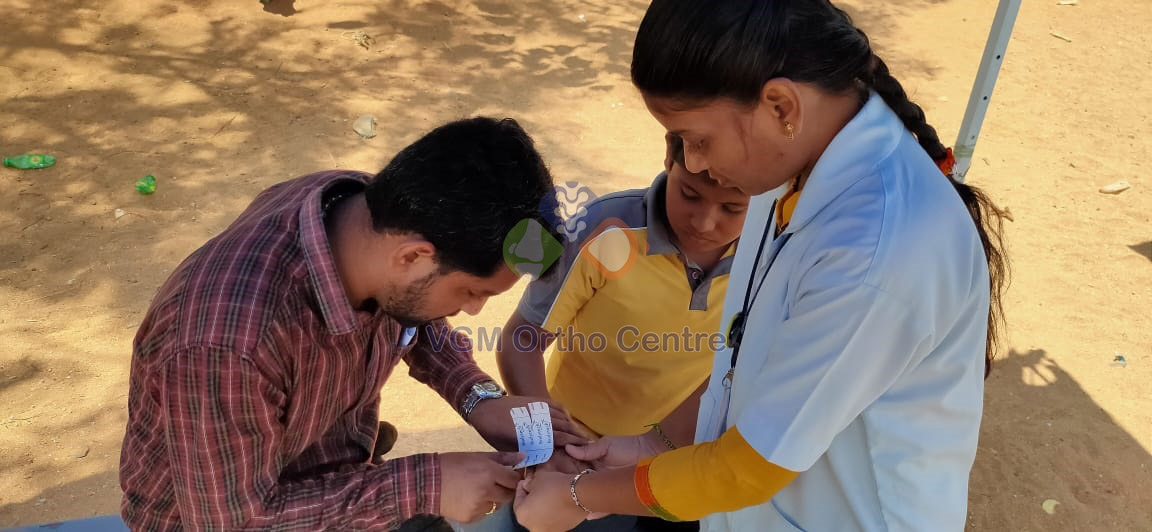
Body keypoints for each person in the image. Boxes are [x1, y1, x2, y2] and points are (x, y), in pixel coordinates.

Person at [512, 1, 1008, 531]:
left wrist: (578, 497)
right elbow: (745, 356)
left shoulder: (875, 252)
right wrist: (650, 443)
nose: (696, 164)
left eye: (699, 140)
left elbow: (745, 471)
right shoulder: (789, 164)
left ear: (780, 106)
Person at [118, 117, 585, 530]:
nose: (473, 312)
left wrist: (478, 398)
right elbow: (232, 523)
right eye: (471, 292)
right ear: (413, 256)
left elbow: (417, 316)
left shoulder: (369, 217)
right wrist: (422, 485)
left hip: (323, 459)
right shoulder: (227, 344)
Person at [493, 138, 749, 531]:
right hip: (578, 454)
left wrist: (664, 449)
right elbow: (520, 341)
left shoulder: (768, 256)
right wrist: (547, 444)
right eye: (690, 195)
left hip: (682, 458)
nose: (705, 222)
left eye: (733, 208)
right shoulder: (601, 228)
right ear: (669, 153)